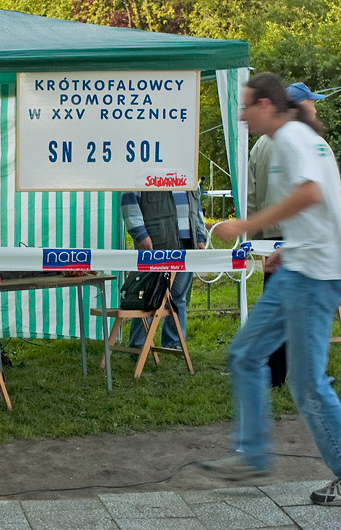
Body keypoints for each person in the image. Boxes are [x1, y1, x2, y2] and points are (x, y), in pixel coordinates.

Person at [202, 73, 341, 507]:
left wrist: (247, 224)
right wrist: (289, 248)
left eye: (246, 106)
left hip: (313, 276)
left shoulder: (293, 138)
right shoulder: (294, 138)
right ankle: (252, 456)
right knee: (247, 355)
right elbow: (319, 206)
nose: (242, 116)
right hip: (302, 267)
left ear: (265, 104)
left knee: (306, 384)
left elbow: (311, 193)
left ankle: (255, 456)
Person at [248, 82, 327, 388]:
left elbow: (252, 193)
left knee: (276, 306)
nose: (316, 108)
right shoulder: (308, 142)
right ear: (300, 106)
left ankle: (275, 373)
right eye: (312, 102)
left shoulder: (261, 145)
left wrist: (255, 237)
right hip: (301, 236)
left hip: (270, 238)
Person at [120, 189, 206, 350]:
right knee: (146, 294)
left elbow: (197, 205)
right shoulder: (140, 173)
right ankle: (138, 346)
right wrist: (140, 233)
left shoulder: (190, 174)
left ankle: (174, 344)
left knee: (177, 297)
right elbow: (129, 202)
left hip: (188, 242)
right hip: (155, 241)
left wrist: (200, 235)